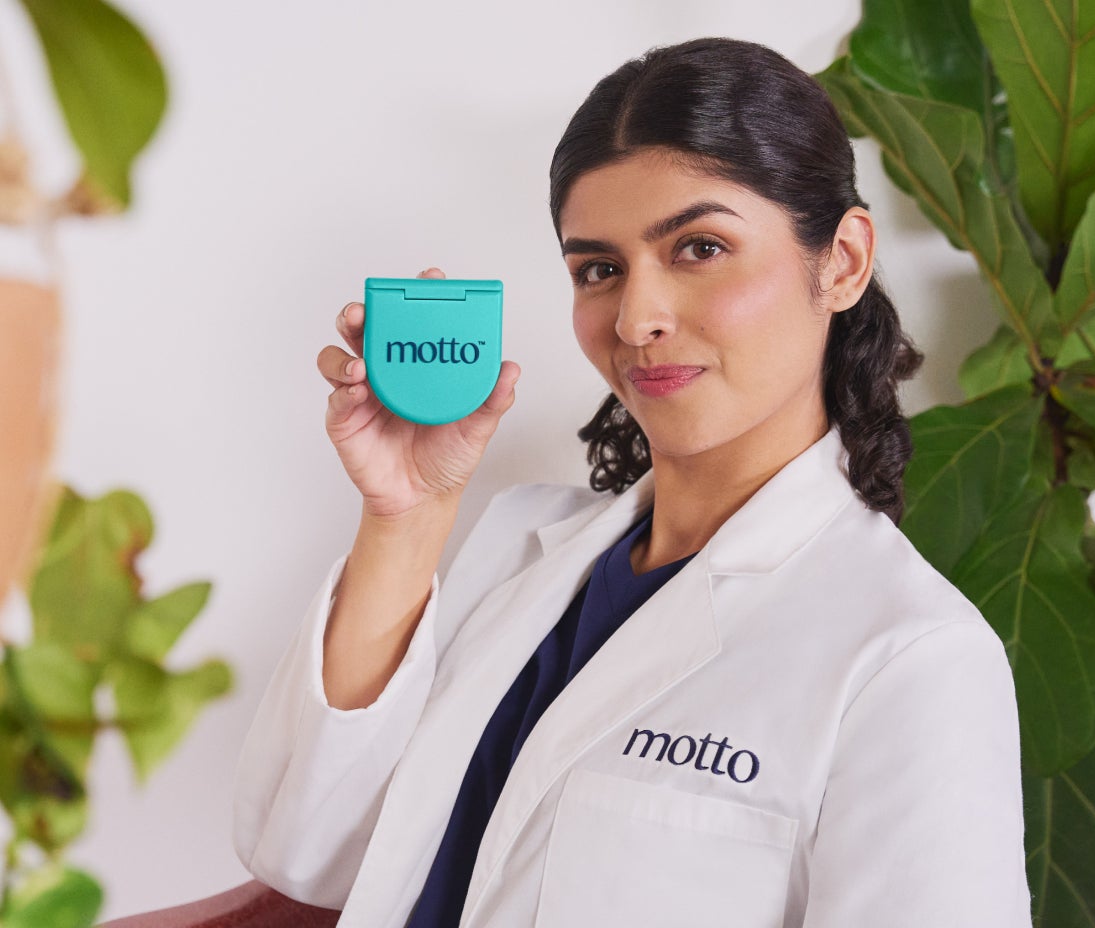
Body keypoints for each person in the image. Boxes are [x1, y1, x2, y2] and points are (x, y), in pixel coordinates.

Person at [233, 37, 1031, 928]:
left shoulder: (912, 659)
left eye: (699, 247)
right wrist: (406, 514)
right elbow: (308, 852)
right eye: (599, 270)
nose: (637, 318)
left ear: (841, 261)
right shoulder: (516, 544)